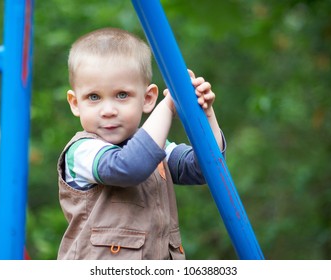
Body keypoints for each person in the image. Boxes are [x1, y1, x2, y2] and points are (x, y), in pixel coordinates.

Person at [57, 27, 226, 260]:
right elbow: (129, 166)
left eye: (122, 95)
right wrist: (167, 107)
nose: (108, 110)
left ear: (147, 99)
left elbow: (203, 169)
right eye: (94, 97)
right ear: (75, 103)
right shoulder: (81, 152)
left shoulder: (156, 147)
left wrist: (205, 116)